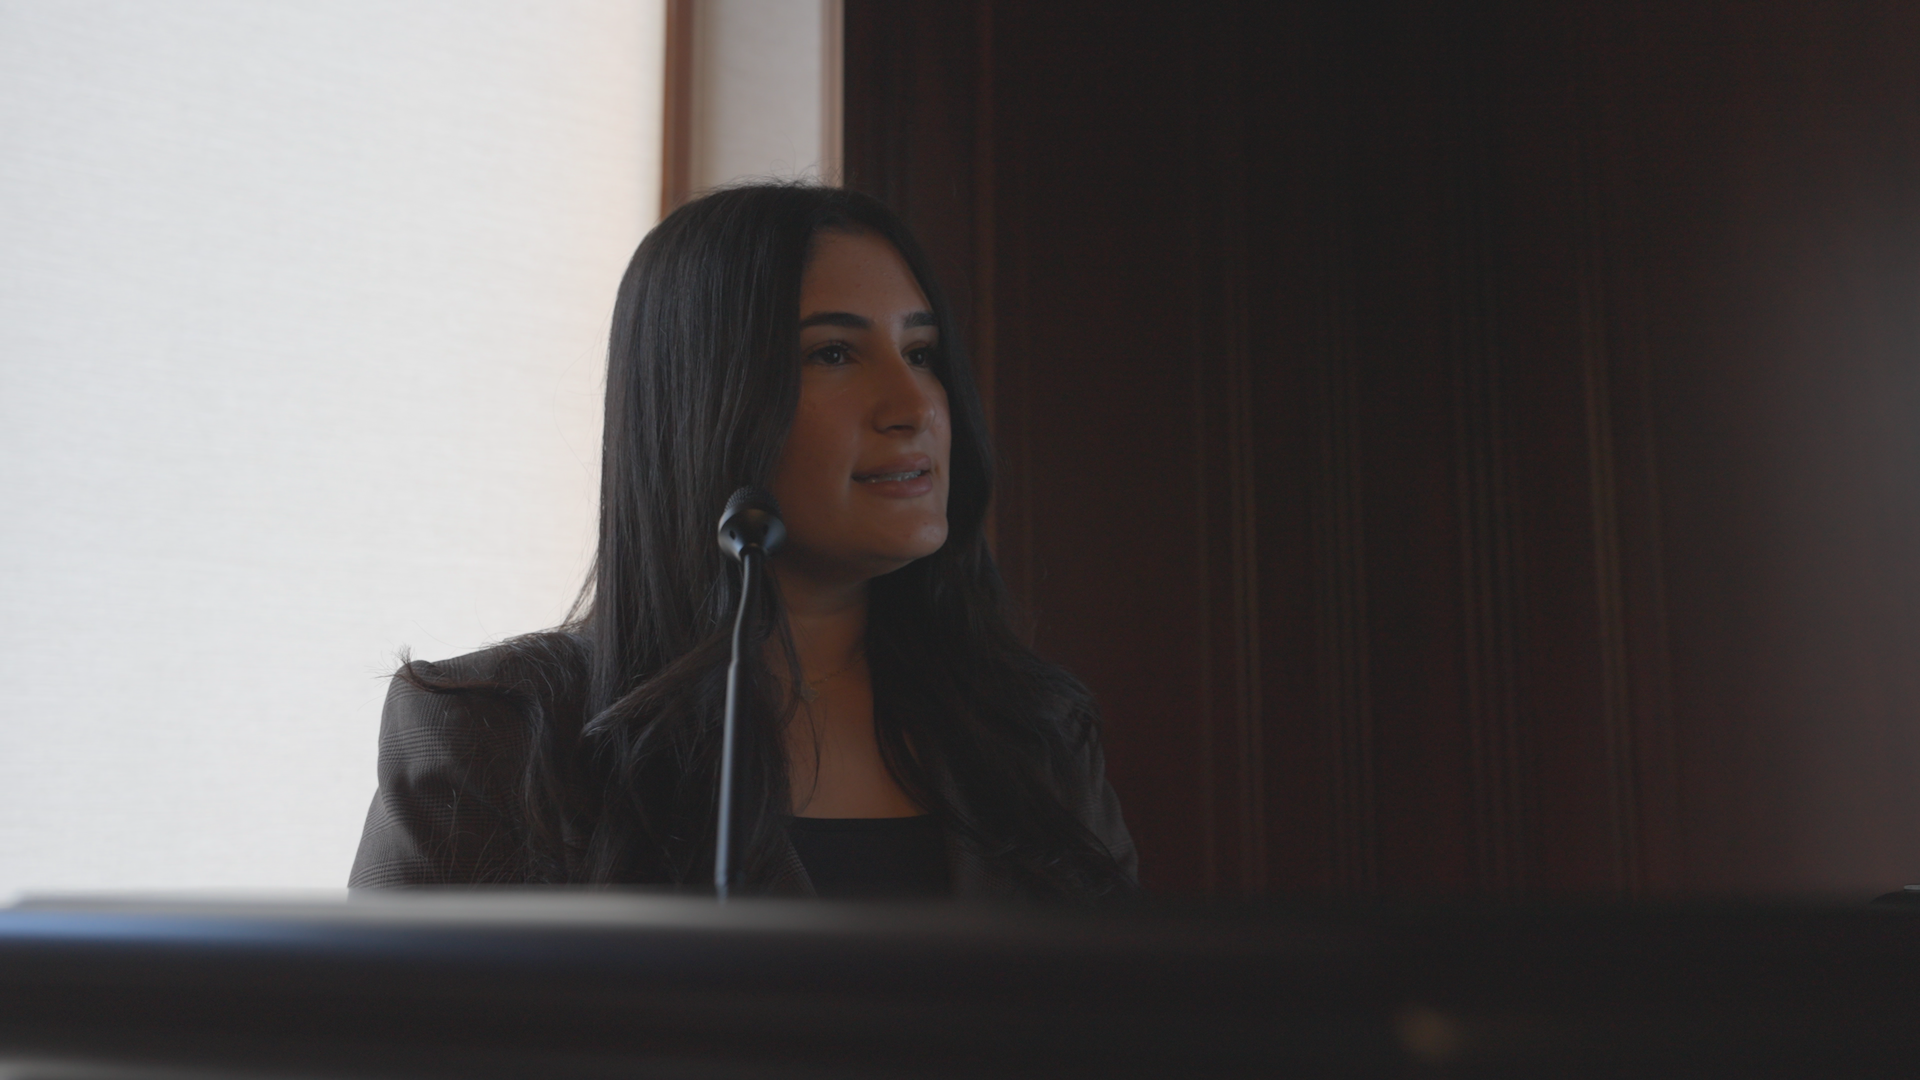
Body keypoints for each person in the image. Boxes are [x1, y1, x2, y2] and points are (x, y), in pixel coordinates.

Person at [348, 184, 1136, 900]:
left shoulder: (1034, 735)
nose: (914, 405)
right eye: (833, 354)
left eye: (921, 353)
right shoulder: (494, 736)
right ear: (702, 400)